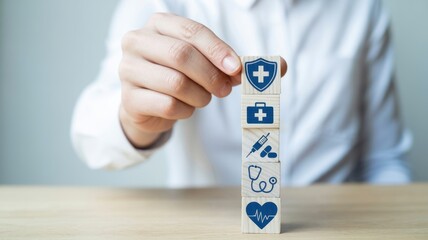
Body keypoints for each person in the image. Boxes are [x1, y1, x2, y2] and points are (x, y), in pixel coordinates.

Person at [71, 0, 412, 187]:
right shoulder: (162, 5)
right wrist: (135, 121)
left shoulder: (362, 8)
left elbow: (384, 159)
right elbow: (92, 140)